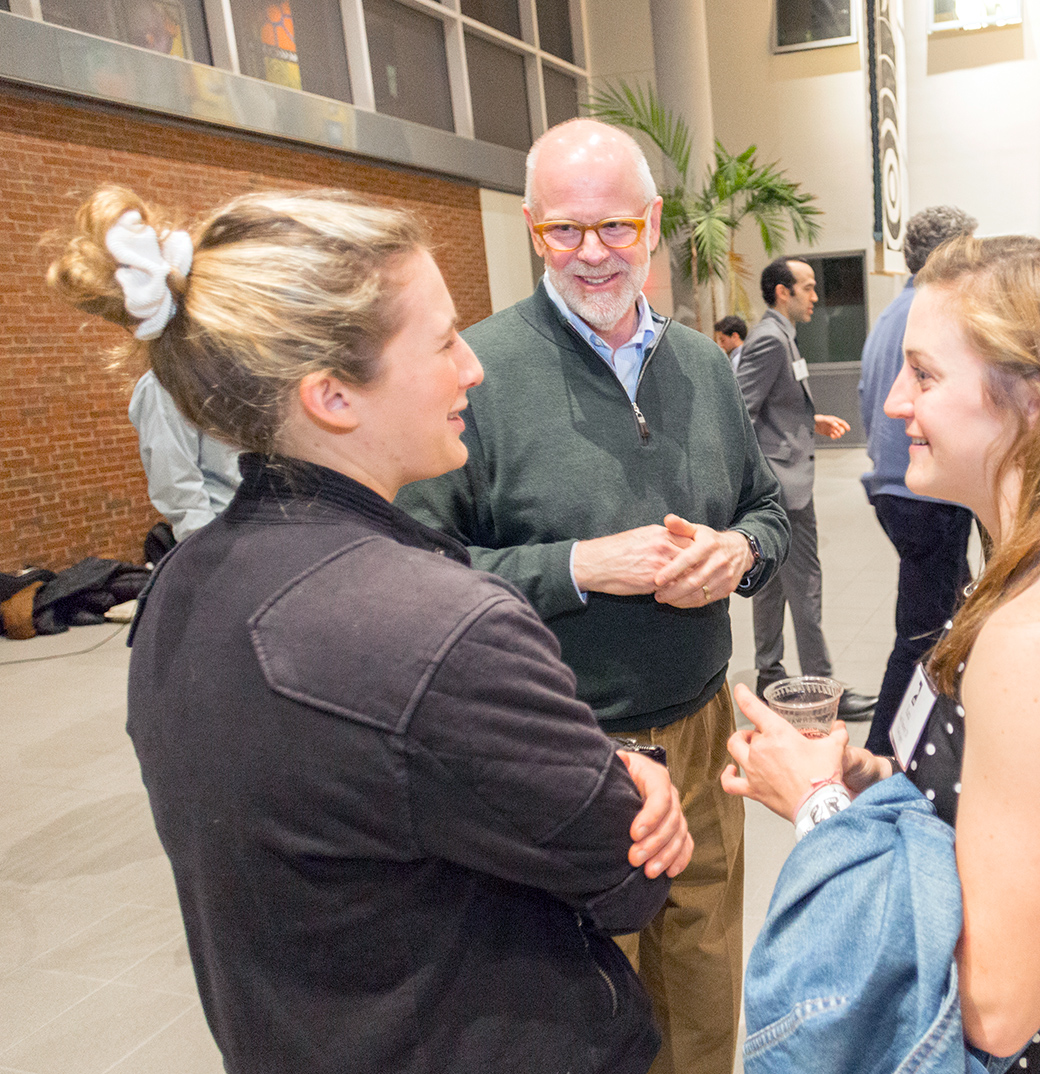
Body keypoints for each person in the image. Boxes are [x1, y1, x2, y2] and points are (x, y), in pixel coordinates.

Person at [47, 185, 693, 1074]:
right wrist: (635, 776)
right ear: (333, 397)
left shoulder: (180, 589)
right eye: (442, 343)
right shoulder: (441, 629)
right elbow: (631, 874)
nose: (474, 369)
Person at [725, 233, 1040, 1071]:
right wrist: (867, 780)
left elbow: (992, 1006)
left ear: (1036, 400)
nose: (894, 404)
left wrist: (817, 810)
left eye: (926, 375)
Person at [396, 118, 790, 1074]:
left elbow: (769, 509)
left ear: (653, 224)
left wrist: (739, 552)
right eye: (562, 231)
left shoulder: (701, 363)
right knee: (582, 1017)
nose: (591, 254)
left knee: (702, 999)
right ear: (532, 229)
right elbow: (410, 576)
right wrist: (578, 568)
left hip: (700, 737)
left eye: (614, 227)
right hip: (558, 746)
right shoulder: (476, 374)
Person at [857, 205, 977, 754]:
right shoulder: (936, 314)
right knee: (923, 630)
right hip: (924, 490)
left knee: (953, 608)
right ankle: (885, 750)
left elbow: (868, 400)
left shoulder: (892, 312)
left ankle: (942, 731)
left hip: (895, 487)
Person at [737, 255, 876, 719]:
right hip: (785, 489)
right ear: (783, 292)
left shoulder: (780, 338)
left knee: (771, 586)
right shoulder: (770, 341)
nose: (816, 296)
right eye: (808, 287)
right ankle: (824, 690)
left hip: (782, 482)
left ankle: (769, 674)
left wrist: (806, 421)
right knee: (806, 586)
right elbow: (740, 411)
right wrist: (766, 478)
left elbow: (771, 405)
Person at [128, 370, 241, 549]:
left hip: (260, 526)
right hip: (225, 534)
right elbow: (178, 487)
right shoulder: (165, 383)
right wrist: (211, 551)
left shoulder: (237, 374)